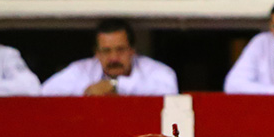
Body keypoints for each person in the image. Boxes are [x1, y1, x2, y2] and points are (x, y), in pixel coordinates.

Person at [41, 18, 178, 96]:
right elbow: (44, 93)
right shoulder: (81, 70)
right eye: (106, 51)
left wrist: (116, 86)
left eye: (120, 50)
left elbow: (169, 91)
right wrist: (86, 92)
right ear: (97, 53)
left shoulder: (155, 71)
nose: (114, 58)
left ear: (132, 50)